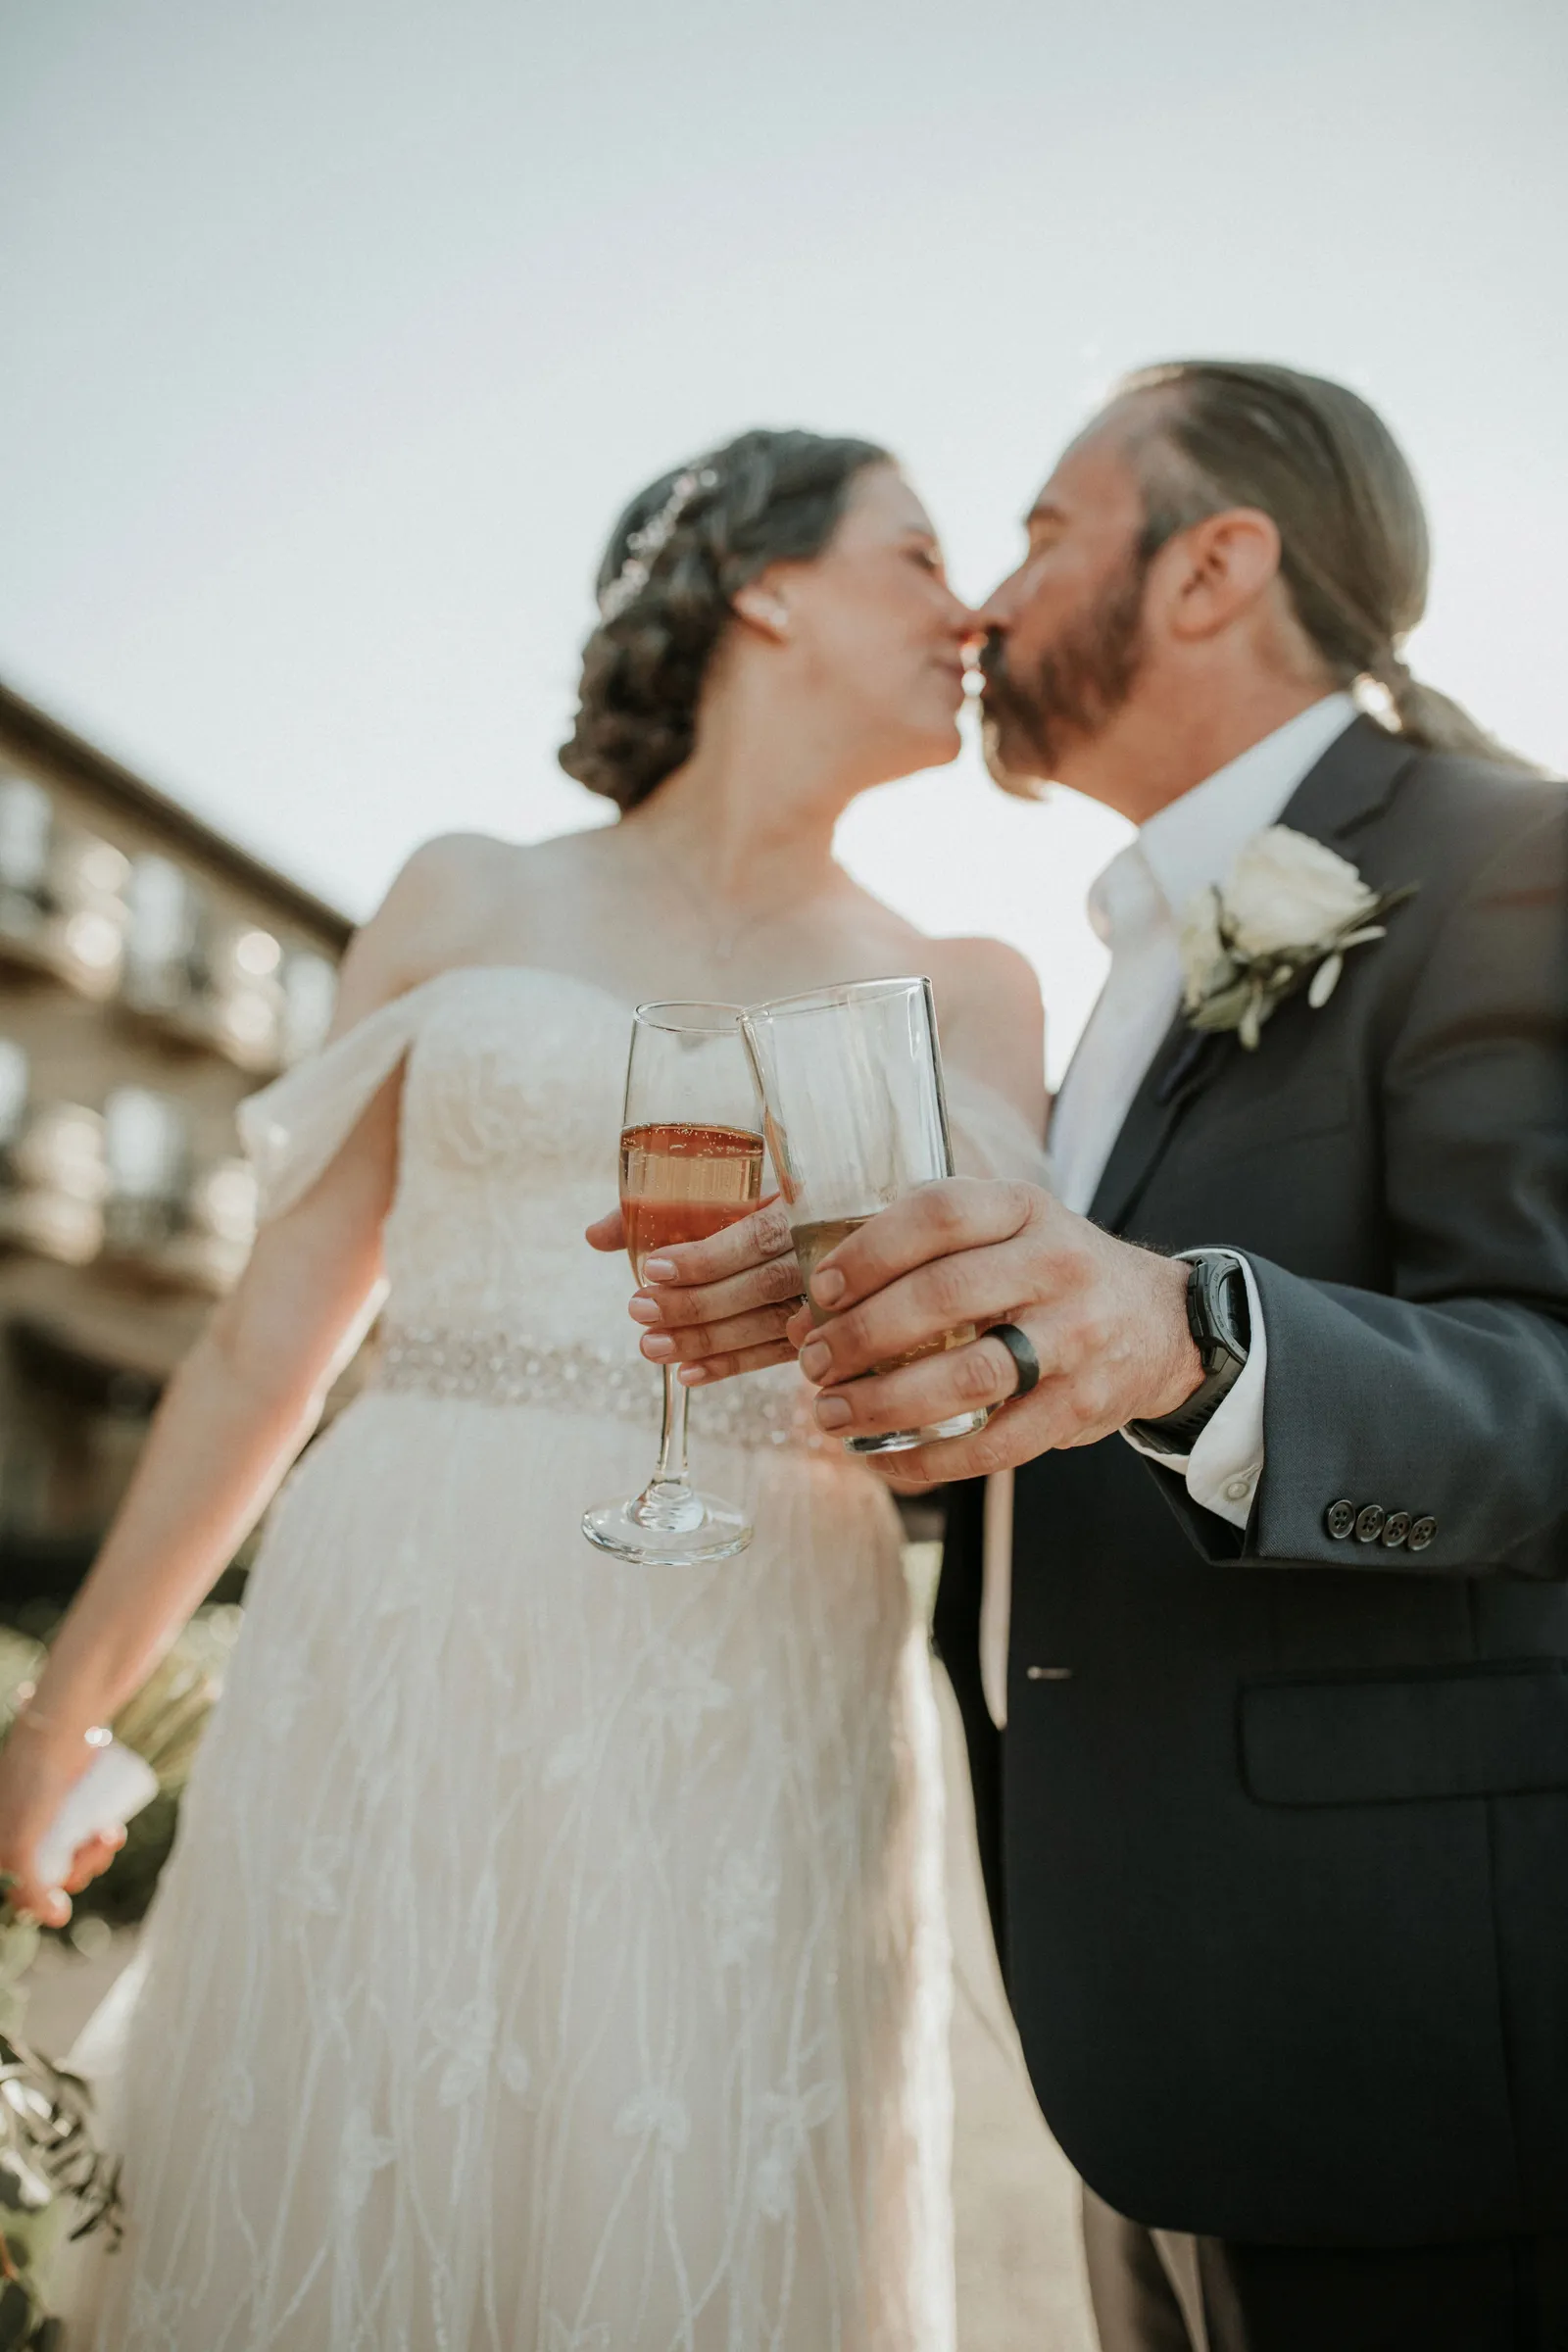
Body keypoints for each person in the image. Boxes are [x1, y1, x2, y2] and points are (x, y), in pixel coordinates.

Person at [0, 428, 1050, 2350]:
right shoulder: (463, 893)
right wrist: (59, 1722)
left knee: (691, 2177)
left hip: (756, 1647)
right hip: (406, 1616)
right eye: (915, 556)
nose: (968, 609)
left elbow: (983, 1379)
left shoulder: (969, 985)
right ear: (764, 585)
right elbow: (261, 1341)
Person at [628, 365, 1568, 2350]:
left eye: (1045, 532)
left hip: (1407, 2060)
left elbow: (1539, 1390)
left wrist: (1184, 1331)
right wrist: (912, 1371)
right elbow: (1089, 1388)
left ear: (1213, 564)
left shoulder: (1509, 861)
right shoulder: (1114, 954)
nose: (987, 601)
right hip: (1139, 2024)